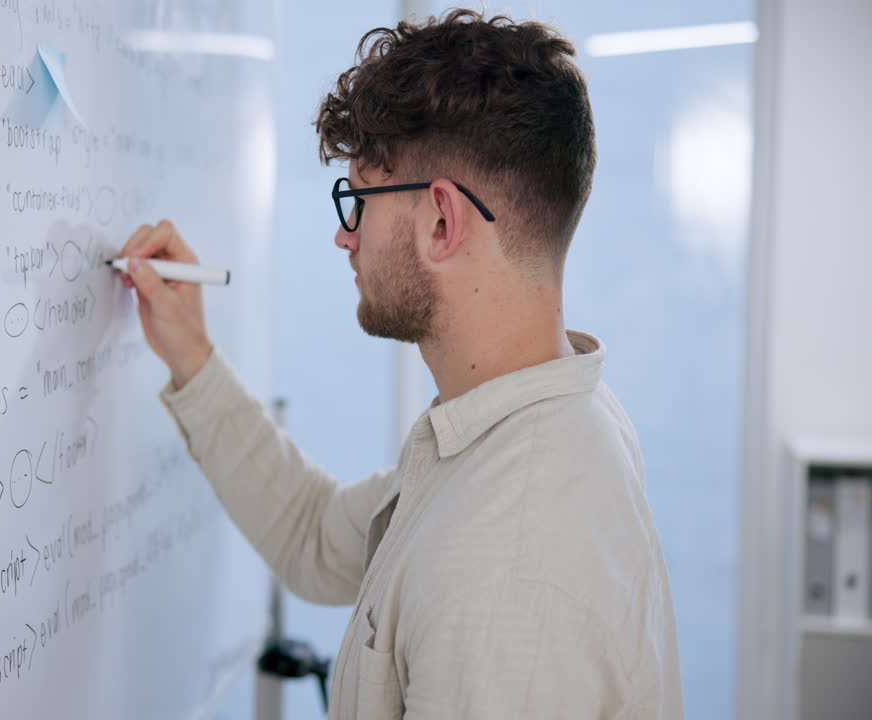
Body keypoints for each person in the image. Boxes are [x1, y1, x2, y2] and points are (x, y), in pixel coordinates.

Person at [117, 9, 683, 719]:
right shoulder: (531, 423)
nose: (343, 235)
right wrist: (191, 356)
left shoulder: (508, 563)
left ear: (442, 222)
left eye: (359, 200)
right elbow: (316, 534)